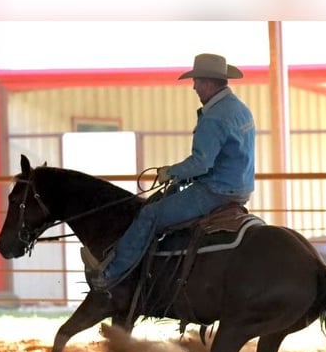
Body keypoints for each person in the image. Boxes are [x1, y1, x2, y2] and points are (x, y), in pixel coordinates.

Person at [85, 53, 256, 291]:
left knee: (150, 215)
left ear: (208, 83)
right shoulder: (239, 109)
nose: (194, 87)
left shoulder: (214, 117)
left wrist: (170, 171)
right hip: (238, 187)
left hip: (215, 190)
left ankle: (110, 275)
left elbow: (201, 163)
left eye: (196, 81)